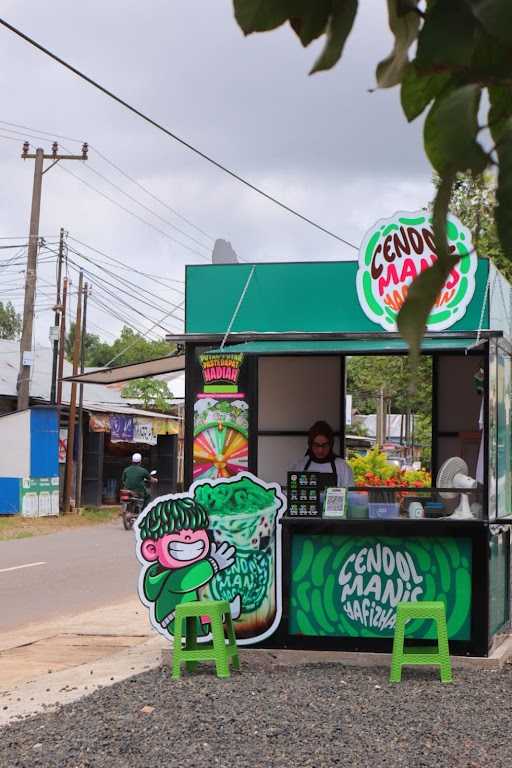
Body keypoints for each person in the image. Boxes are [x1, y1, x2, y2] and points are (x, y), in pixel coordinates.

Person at [291, 421, 354, 487]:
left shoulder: (342, 467)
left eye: (324, 445)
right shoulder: (300, 466)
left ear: (331, 444)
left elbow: (350, 494)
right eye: (316, 445)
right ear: (310, 444)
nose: (320, 450)